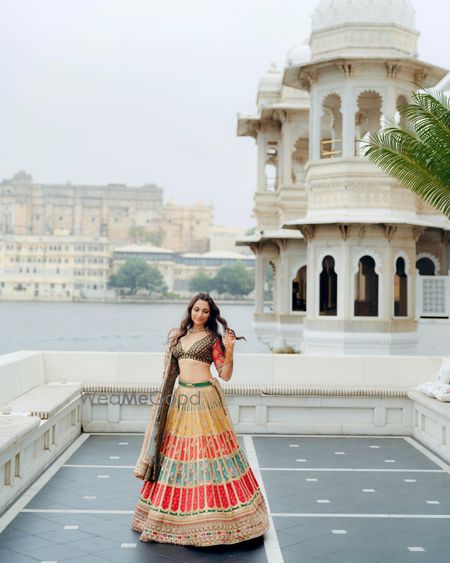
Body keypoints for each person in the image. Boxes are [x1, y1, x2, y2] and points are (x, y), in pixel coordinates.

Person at [131, 292, 270, 546]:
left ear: (211, 314)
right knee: (180, 456)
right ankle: (177, 517)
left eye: (205, 311)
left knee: (208, 456)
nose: (199, 315)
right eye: (196, 309)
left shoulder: (213, 340)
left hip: (205, 400)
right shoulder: (177, 336)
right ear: (190, 310)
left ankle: (214, 518)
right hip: (182, 400)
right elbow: (168, 372)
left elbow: (225, 375)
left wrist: (230, 351)